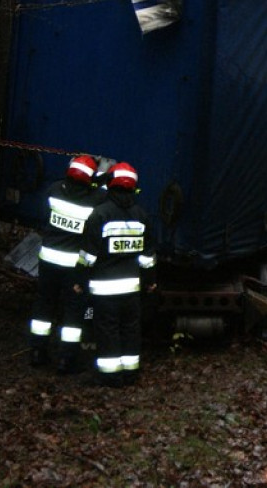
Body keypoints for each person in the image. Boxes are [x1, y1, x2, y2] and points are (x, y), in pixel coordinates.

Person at [75, 162, 157, 387]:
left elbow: (88, 255)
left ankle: (111, 375)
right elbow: (147, 257)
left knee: (107, 329)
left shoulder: (100, 215)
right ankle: (131, 372)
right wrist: (150, 282)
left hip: (104, 288)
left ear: (111, 184)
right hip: (131, 288)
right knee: (131, 328)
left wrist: (80, 280)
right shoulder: (142, 216)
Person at [28, 155, 105, 373]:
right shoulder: (95, 201)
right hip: (74, 268)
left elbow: (44, 217)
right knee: (73, 313)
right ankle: (66, 360)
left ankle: (37, 352)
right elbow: (104, 196)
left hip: (48, 261)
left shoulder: (53, 191)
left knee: (44, 306)